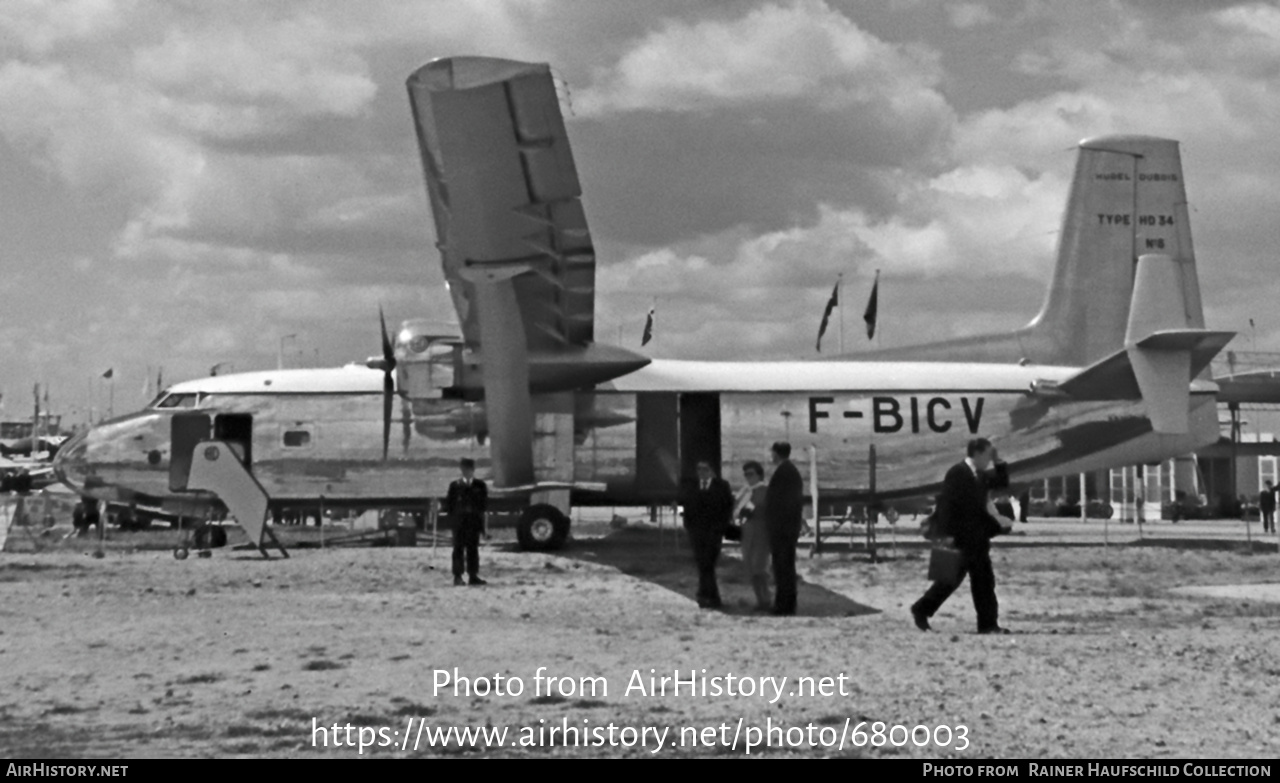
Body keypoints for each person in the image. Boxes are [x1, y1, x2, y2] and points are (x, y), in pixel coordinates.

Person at [910, 438, 1014, 634]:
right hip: (960, 538)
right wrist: (947, 535)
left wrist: (999, 461)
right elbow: (947, 506)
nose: (989, 459)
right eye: (988, 454)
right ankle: (921, 609)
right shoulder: (957, 473)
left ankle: (988, 624)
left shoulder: (981, 476)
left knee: (984, 581)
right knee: (949, 580)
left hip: (978, 538)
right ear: (977, 453)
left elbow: (1001, 483)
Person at [681, 460, 734, 609]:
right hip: (696, 532)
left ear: (711, 471)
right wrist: (688, 526)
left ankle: (707, 595)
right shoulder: (692, 486)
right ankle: (708, 596)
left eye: (705, 469)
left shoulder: (721, 486)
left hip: (714, 532)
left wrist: (721, 527)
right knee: (703, 564)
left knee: (708, 563)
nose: (701, 472)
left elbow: (727, 507)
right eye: (699, 469)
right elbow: (686, 506)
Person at [765, 442, 805, 616]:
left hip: (783, 529)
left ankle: (784, 605)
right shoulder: (790, 471)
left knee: (783, 568)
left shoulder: (784, 473)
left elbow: (783, 503)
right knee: (785, 567)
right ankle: (786, 603)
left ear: (777, 454)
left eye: (772, 453)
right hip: (786, 528)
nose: (771, 456)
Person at [734, 461, 771, 610]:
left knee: (759, 568)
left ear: (759, 475)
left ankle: (766, 598)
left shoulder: (764, 490)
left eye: (751, 474)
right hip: (747, 534)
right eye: (746, 474)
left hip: (761, 534)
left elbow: (755, 507)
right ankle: (760, 600)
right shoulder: (744, 491)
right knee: (750, 568)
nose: (748, 477)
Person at [444, 458, 487, 586]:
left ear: (473, 470)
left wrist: (481, 524)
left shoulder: (480, 485)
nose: (466, 472)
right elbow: (449, 505)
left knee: (473, 549)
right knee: (458, 549)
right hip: (459, 523)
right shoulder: (455, 486)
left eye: (468, 469)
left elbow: (483, 505)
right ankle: (457, 576)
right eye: (463, 470)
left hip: (474, 522)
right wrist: (453, 521)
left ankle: (473, 575)